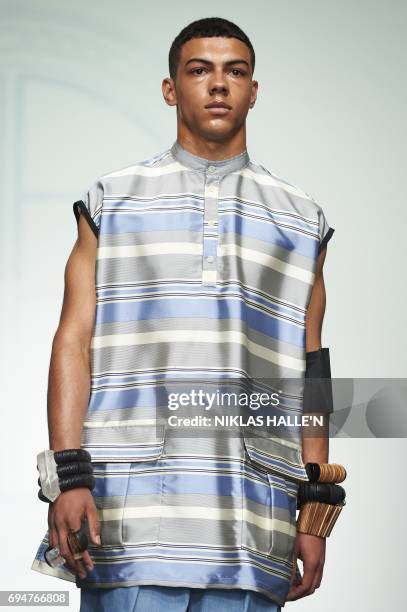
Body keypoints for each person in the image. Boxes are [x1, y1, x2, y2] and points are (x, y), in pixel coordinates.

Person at [31, 16, 335, 611]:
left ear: (253, 90)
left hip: (255, 519)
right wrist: (67, 478)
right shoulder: (110, 201)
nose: (218, 85)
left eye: (235, 72)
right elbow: (74, 339)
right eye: (200, 70)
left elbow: (313, 368)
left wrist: (317, 506)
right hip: (127, 516)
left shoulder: (304, 220)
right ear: (171, 89)